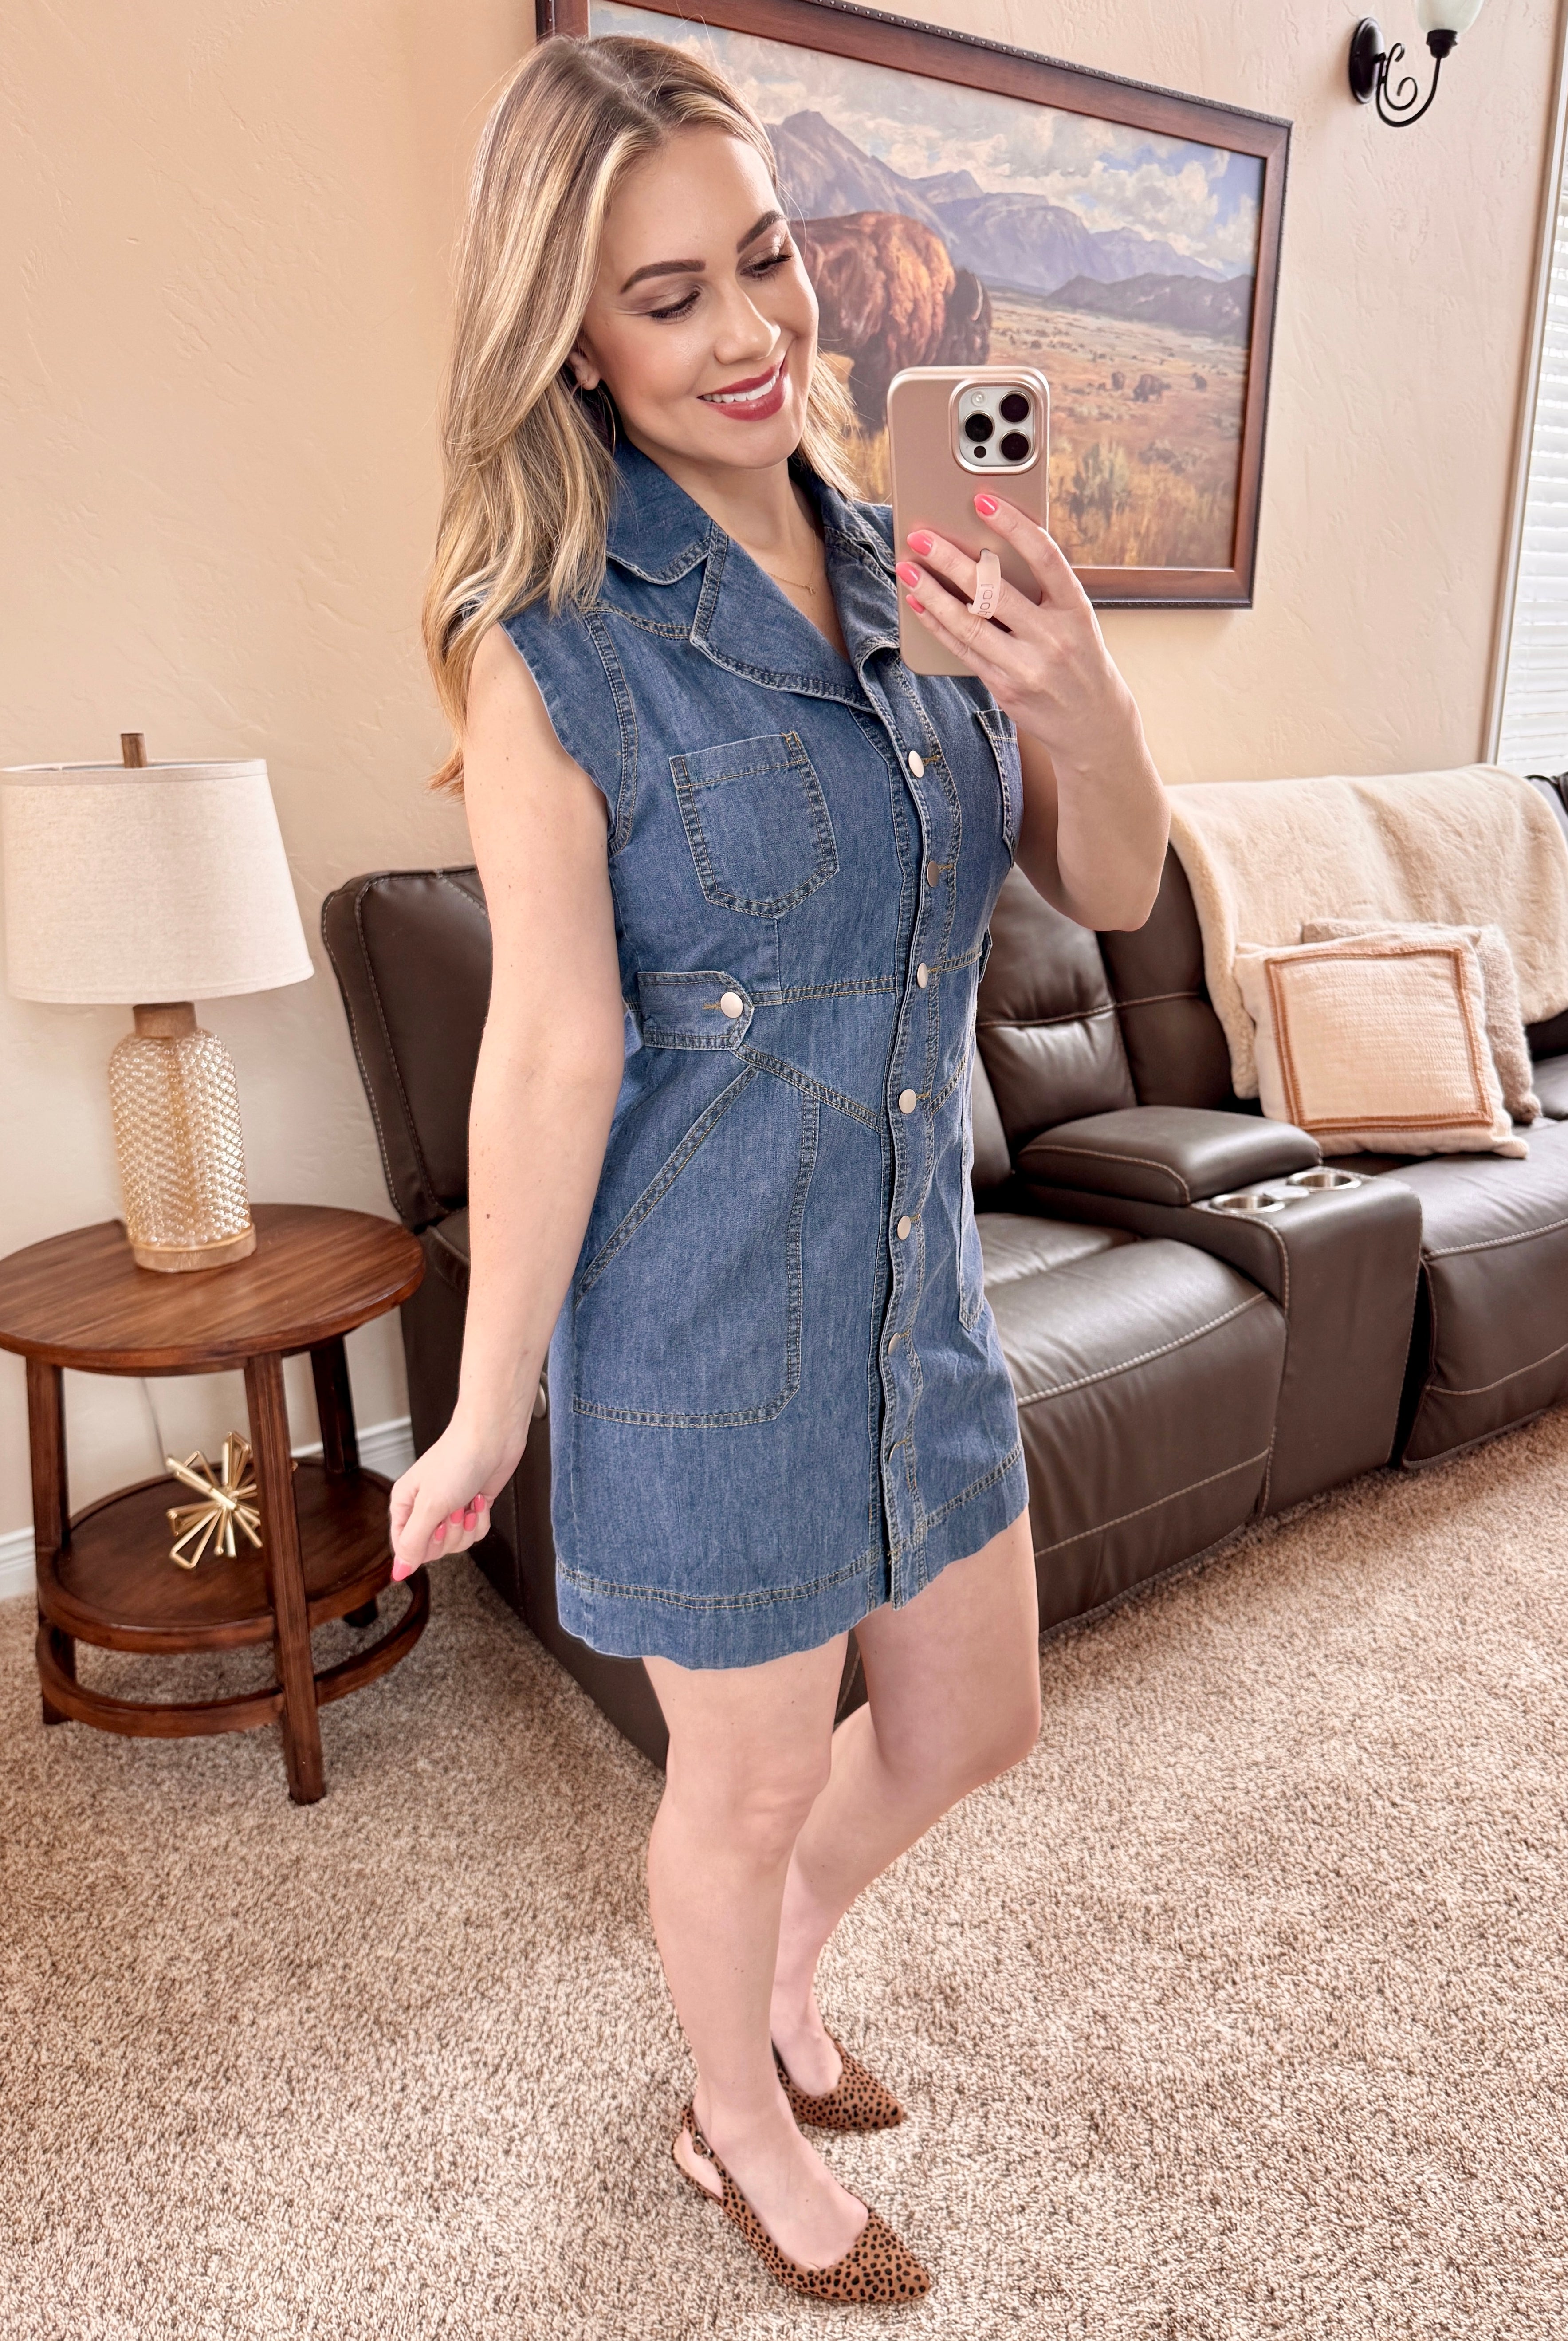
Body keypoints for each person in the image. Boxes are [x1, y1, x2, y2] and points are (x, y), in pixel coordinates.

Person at [388, 31, 1169, 2306]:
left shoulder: (912, 555)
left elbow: (1114, 886)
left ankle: (784, 1962)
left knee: (974, 1718)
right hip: (706, 1312)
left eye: (761, 259)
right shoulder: (547, 650)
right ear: (567, 335)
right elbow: (552, 1046)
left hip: (916, 1288)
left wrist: (1074, 688)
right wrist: (488, 1404)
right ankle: (729, 2117)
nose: (747, 333)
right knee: (728, 1791)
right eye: (665, 296)